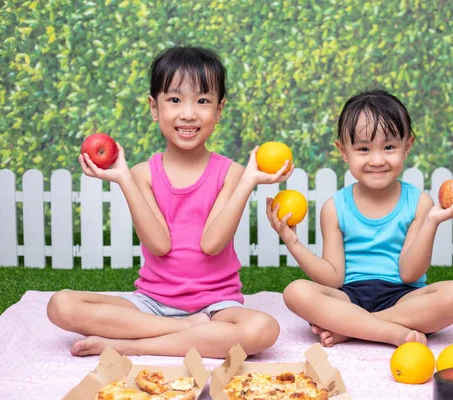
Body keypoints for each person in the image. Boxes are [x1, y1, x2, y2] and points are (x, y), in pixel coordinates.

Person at [47, 46, 293, 358]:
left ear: (218, 110)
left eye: (202, 101)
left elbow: (212, 244)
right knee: (61, 305)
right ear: (154, 107)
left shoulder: (232, 173)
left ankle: (127, 344)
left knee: (263, 329)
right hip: (151, 302)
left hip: (216, 305)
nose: (188, 113)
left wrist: (248, 182)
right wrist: (124, 180)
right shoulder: (140, 174)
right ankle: (186, 331)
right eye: (174, 100)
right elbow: (159, 244)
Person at [267, 89, 453, 348]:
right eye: (364, 149)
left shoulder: (420, 203)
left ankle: (356, 328)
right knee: (295, 292)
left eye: (389, 147)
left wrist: (431, 222)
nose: (377, 160)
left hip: (404, 299)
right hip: (349, 298)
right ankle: (390, 331)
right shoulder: (335, 207)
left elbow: (410, 273)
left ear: (407, 146)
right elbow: (333, 279)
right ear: (344, 151)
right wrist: (292, 241)